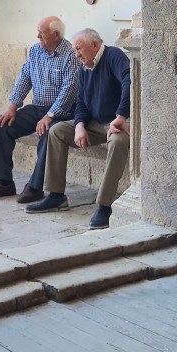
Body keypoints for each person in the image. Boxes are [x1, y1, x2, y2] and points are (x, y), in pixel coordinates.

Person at [26, 28, 130, 229]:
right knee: (56, 131)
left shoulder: (113, 55)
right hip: (94, 123)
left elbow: (129, 81)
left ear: (94, 45)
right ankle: (56, 195)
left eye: (79, 49)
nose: (76, 54)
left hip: (117, 123)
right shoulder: (85, 67)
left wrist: (121, 116)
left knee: (118, 142)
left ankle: (104, 205)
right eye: (74, 50)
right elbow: (81, 101)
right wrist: (80, 126)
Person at [0, 16, 79, 204]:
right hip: (38, 107)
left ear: (56, 35)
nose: (37, 35)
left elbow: (69, 90)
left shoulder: (70, 55)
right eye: (38, 31)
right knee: (4, 125)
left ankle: (35, 187)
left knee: (48, 134)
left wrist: (50, 115)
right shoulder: (35, 51)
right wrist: (12, 106)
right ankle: (5, 182)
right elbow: (24, 78)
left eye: (42, 32)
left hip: (63, 112)